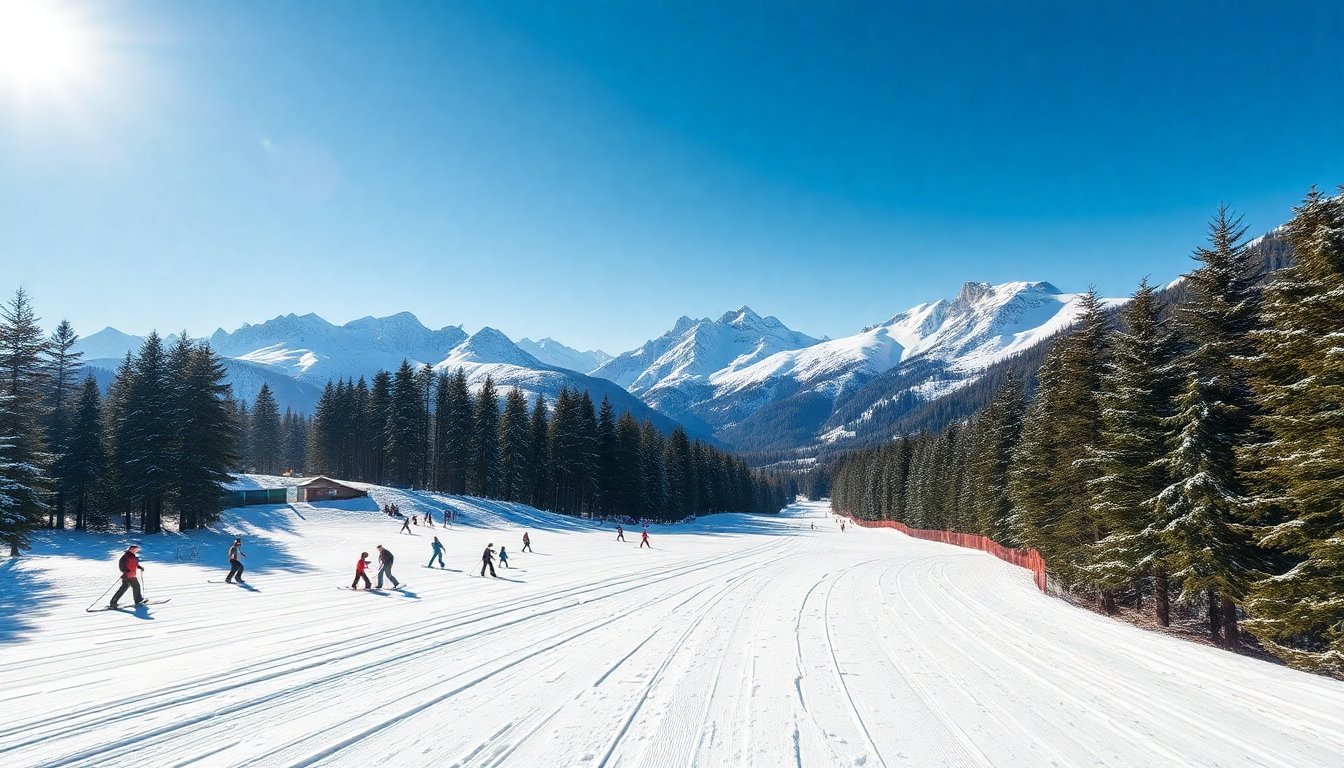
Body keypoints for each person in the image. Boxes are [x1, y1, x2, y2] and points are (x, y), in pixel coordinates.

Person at [109, 544, 146, 608]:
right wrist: (124, 571)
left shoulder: (132, 556)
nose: (136, 551)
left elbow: (134, 564)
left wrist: (140, 567)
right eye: (135, 550)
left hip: (131, 574)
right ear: (131, 549)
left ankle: (113, 602)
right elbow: (121, 563)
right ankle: (138, 600)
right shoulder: (126, 556)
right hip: (129, 574)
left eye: (136, 550)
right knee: (136, 586)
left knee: (124, 588)